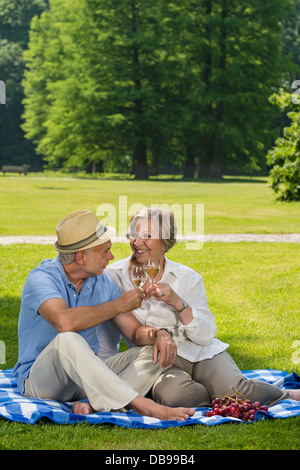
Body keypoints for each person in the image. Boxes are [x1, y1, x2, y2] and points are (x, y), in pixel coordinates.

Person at [96, 207, 300, 407]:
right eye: (134, 234)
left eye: (147, 235)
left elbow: (205, 336)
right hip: (158, 362)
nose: (137, 242)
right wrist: (104, 375)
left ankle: (284, 394)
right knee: (178, 397)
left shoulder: (188, 278)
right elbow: (108, 337)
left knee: (238, 392)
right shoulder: (113, 276)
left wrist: (178, 303)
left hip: (200, 353)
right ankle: (216, 393)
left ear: (165, 243)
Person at [12, 210, 195, 421]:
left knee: (153, 351)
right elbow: (65, 322)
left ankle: (96, 404)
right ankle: (142, 404)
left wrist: (160, 334)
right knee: (68, 339)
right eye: (105, 252)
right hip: (42, 383)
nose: (112, 257)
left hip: (85, 381)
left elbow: (134, 331)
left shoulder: (101, 281)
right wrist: (118, 304)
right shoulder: (41, 279)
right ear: (81, 257)